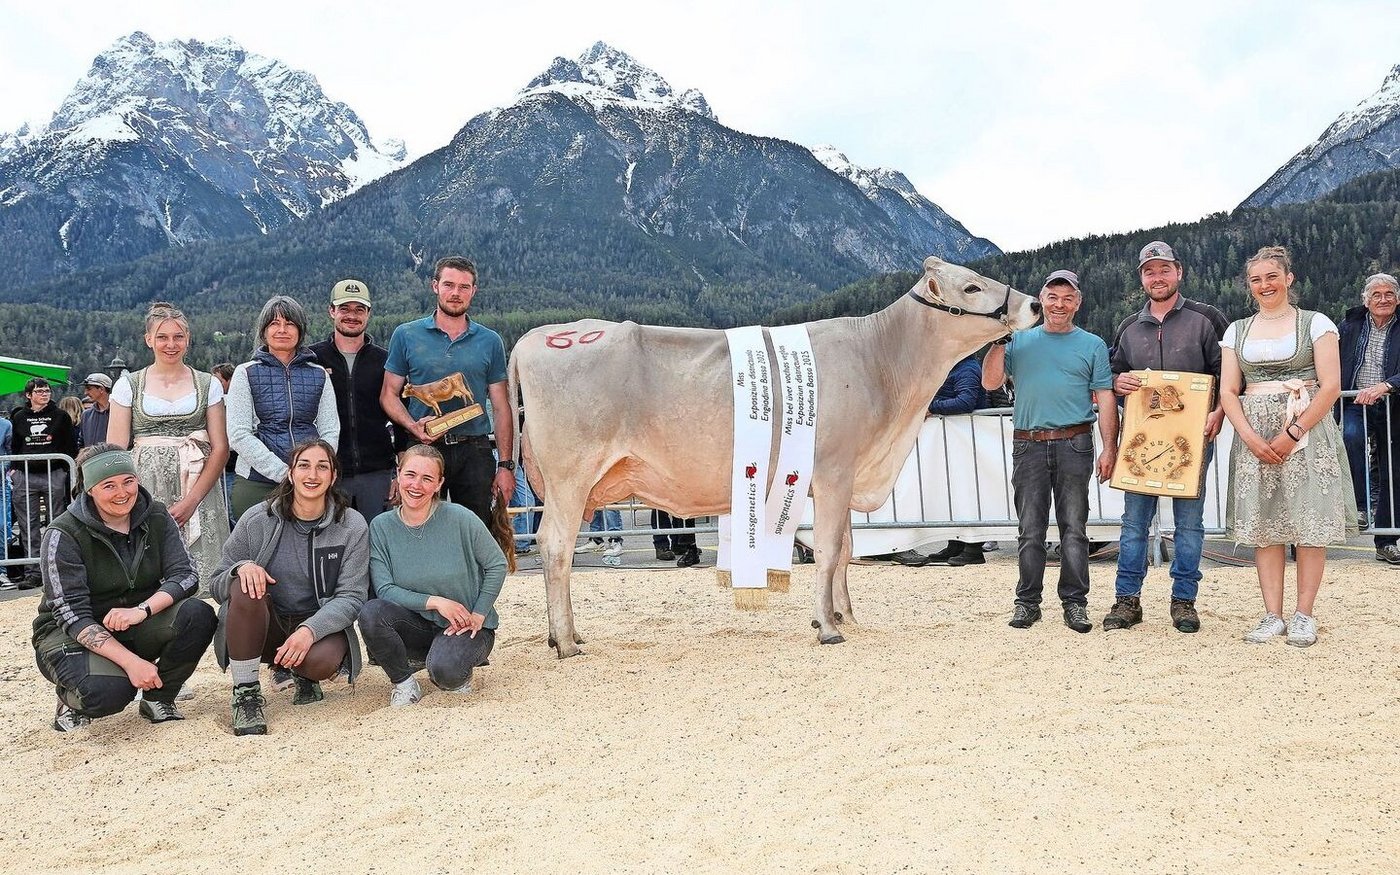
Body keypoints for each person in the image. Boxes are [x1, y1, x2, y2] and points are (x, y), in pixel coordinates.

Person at [1220, 246, 1356, 647]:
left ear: (1288, 279)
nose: (1265, 285)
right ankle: (1272, 614)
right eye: (1256, 280)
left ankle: (1303, 615)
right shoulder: (1237, 330)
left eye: (1271, 277)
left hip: (1307, 430)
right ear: (1250, 286)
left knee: (1308, 522)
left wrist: (1293, 431)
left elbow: (1330, 385)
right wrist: (1247, 436)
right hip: (1255, 433)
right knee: (1266, 525)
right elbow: (1230, 389)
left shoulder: (1316, 323)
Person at [31, 443, 216, 731]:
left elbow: (186, 575)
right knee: (108, 694)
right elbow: (70, 614)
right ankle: (70, 699)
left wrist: (142, 610)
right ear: (89, 488)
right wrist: (131, 663)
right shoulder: (63, 533)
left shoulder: (156, 515)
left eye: (128, 481)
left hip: (136, 622)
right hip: (69, 633)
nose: (122, 493)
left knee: (198, 613)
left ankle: (159, 698)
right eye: (109, 486)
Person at [1106, 241, 1231, 634]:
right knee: (1133, 524)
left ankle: (1184, 601)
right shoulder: (1129, 326)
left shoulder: (1207, 318)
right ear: (1142, 277)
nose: (1156, 277)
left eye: (1163, 270)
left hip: (1191, 440)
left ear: (1179, 272)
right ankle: (1127, 600)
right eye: (1149, 271)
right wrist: (1117, 381)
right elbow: (1111, 375)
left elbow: (1228, 373)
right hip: (1141, 444)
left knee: (1189, 523)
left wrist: (1220, 412)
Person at [982, 269, 1117, 632]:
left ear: (1078, 303)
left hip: (1076, 441)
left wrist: (1110, 449)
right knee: (1030, 529)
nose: (1059, 305)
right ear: (1042, 300)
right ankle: (1028, 603)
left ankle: (1075, 603)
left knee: (1075, 528)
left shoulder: (1092, 344)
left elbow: (1105, 397)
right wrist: (999, 339)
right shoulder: (1019, 340)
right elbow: (990, 381)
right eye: (1053, 297)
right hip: (1028, 443)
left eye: (1067, 298)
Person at [210, 439, 369, 735]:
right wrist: (241, 568)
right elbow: (217, 581)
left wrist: (309, 632)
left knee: (320, 663)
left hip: (315, 625)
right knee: (244, 583)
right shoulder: (258, 519)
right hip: (264, 625)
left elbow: (352, 596)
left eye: (323, 467)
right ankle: (246, 693)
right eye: (304, 466)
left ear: (333, 477)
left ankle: (304, 677)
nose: (312, 475)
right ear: (290, 473)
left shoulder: (351, 525)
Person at [360, 445, 509, 707]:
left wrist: (479, 613)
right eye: (410, 474)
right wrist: (437, 601)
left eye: (427, 478)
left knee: (447, 675)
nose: (416, 485)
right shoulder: (381, 526)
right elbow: (384, 589)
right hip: (416, 624)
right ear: (398, 474)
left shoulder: (462, 518)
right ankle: (404, 683)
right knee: (372, 613)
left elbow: (497, 564)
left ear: (439, 484)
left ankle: (453, 661)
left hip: (466, 625)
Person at [381, 256, 515, 528]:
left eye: (464, 287)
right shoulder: (406, 335)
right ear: (435, 286)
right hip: (422, 447)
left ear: (474, 291)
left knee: (478, 530)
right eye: (449, 285)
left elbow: (501, 407)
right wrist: (412, 426)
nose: (456, 293)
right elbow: (388, 395)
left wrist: (506, 466)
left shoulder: (490, 341)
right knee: (420, 527)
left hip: (475, 449)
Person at [106, 303, 231, 581]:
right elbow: (115, 450)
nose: (171, 344)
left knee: (204, 572)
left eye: (178, 337)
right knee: (151, 566)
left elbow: (221, 447)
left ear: (188, 339)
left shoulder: (207, 383)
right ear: (149, 340)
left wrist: (192, 500)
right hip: (146, 486)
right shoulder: (129, 385)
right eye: (162, 337)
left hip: (198, 484)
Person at [225, 295, 340, 521]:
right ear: (264, 330)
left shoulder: (318, 374)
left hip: (310, 483)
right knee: (256, 552)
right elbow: (238, 434)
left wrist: (311, 471)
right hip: (256, 482)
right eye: (274, 323)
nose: (282, 330)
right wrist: (284, 473)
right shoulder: (245, 372)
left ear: (300, 330)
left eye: (289, 323)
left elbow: (330, 431)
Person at [310, 279, 400, 524]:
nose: (352, 316)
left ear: (368, 314)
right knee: (331, 545)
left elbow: (400, 418)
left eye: (359, 309)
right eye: (345, 309)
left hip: (377, 472)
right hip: (328, 472)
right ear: (332, 311)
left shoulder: (386, 361)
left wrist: (398, 472)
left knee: (377, 544)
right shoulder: (312, 359)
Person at [895, 355, 990, 567]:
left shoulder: (967, 369)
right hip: (955, 441)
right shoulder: (950, 366)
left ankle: (973, 547)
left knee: (969, 493)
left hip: (967, 440)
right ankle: (955, 544)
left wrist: (932, 407)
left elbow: (966, 401)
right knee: (953, 494)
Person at [1338, 272, 1400, 564]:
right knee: (1350, 438)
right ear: (1366, 300)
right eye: (1377, 294)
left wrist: (1387, 385)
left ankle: (1386, 541)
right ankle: (1360, 507)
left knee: (1392, 468)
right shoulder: (1349, 325)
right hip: (1354, 400)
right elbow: (1330, 358)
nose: (1383, 299)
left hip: (1392, 403)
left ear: (1397, 299)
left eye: (1389, 294)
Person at [8, 378, 79, 590]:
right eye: (39, 391)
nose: (44, 394)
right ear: (29, 395)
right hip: (25, 474)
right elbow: (15, 445)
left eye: (47, 391)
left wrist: (66, 469)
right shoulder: (19, 417)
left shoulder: (60, 416)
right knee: (27, 525)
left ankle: (58, 567)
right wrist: (14, 469)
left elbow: (69, 445)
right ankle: (33, 571)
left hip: (54, 472)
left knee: (56, 521)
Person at [212, 363, 238, 528]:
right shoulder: (215, 404)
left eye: (219, 381)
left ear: (229, 381)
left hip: (233, 468)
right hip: (220, 468)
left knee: (231, 509)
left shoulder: (236, 403)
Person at [79, 373, 113, 448]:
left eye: (89, 389)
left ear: (101, 389)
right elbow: (81, 442)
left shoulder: (119, 413)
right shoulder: (86, 415)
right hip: (92, 459)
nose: (85, 393)